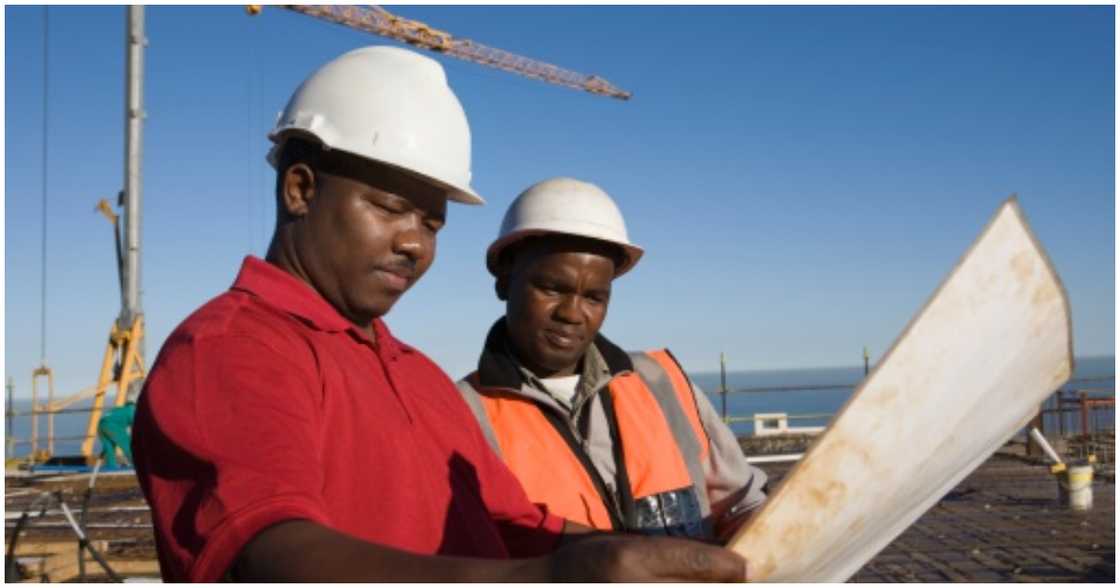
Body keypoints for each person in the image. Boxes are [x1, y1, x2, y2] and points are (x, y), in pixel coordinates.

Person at [131, 46, 749, 582]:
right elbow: (270, 557)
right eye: (391, 207)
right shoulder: (235, 346)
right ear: (301, 189)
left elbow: (512, 522)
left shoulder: (415, 375)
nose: (415, 243)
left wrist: (629, 556)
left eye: (431, 224)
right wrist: (548, 579)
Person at [457, 177, 769, 542]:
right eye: (552, 288)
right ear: (504, 281)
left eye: (594, 297)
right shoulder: (464, 414)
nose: (573, 314)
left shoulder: (660, 381)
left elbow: (740, 505)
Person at [97, 400, 136, 468]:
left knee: (109, 447)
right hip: (113, 426)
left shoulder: (118, 409)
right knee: (127, 445)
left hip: (101, 425)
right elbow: (136, 424)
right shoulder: (131, 410)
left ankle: (111, 466)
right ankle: (136, 464)